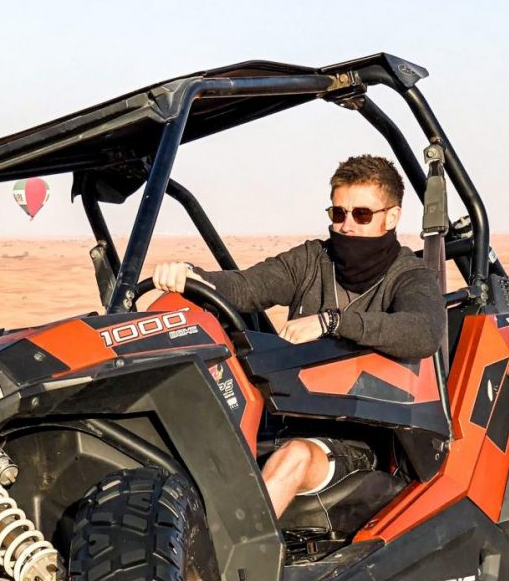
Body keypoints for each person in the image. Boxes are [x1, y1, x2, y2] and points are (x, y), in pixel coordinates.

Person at [152, 155, 446, 517]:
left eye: (362, 215)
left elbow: (422, 332)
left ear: (392, 217)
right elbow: (245, 288)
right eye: (338, 214)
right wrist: (192, 276)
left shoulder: (411, 276)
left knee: (294, 457)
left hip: (360, 436)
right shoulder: (313, 260)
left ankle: (235, 563)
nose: (347, 226)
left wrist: (332, 323)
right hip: (283, 416)